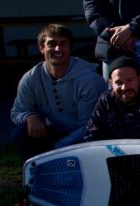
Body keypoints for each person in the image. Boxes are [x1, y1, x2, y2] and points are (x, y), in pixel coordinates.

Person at [11, 24, 105, 159]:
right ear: (41, 48)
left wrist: (57, 149)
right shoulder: (31, 78)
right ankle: (34, 174)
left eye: (63, 44)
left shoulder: (89, 80)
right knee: (21, 132)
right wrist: (30, 116)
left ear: (70, 48)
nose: (58, 49)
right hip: (53, 133)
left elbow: (90, 125)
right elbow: (17, 111)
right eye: (52, 44)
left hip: (85, 137)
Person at [84, 57, 140, 141]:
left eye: (129, 80)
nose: (124, 87)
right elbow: (92, 135)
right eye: (118, 83)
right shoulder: (106, 101)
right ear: (111, 84)